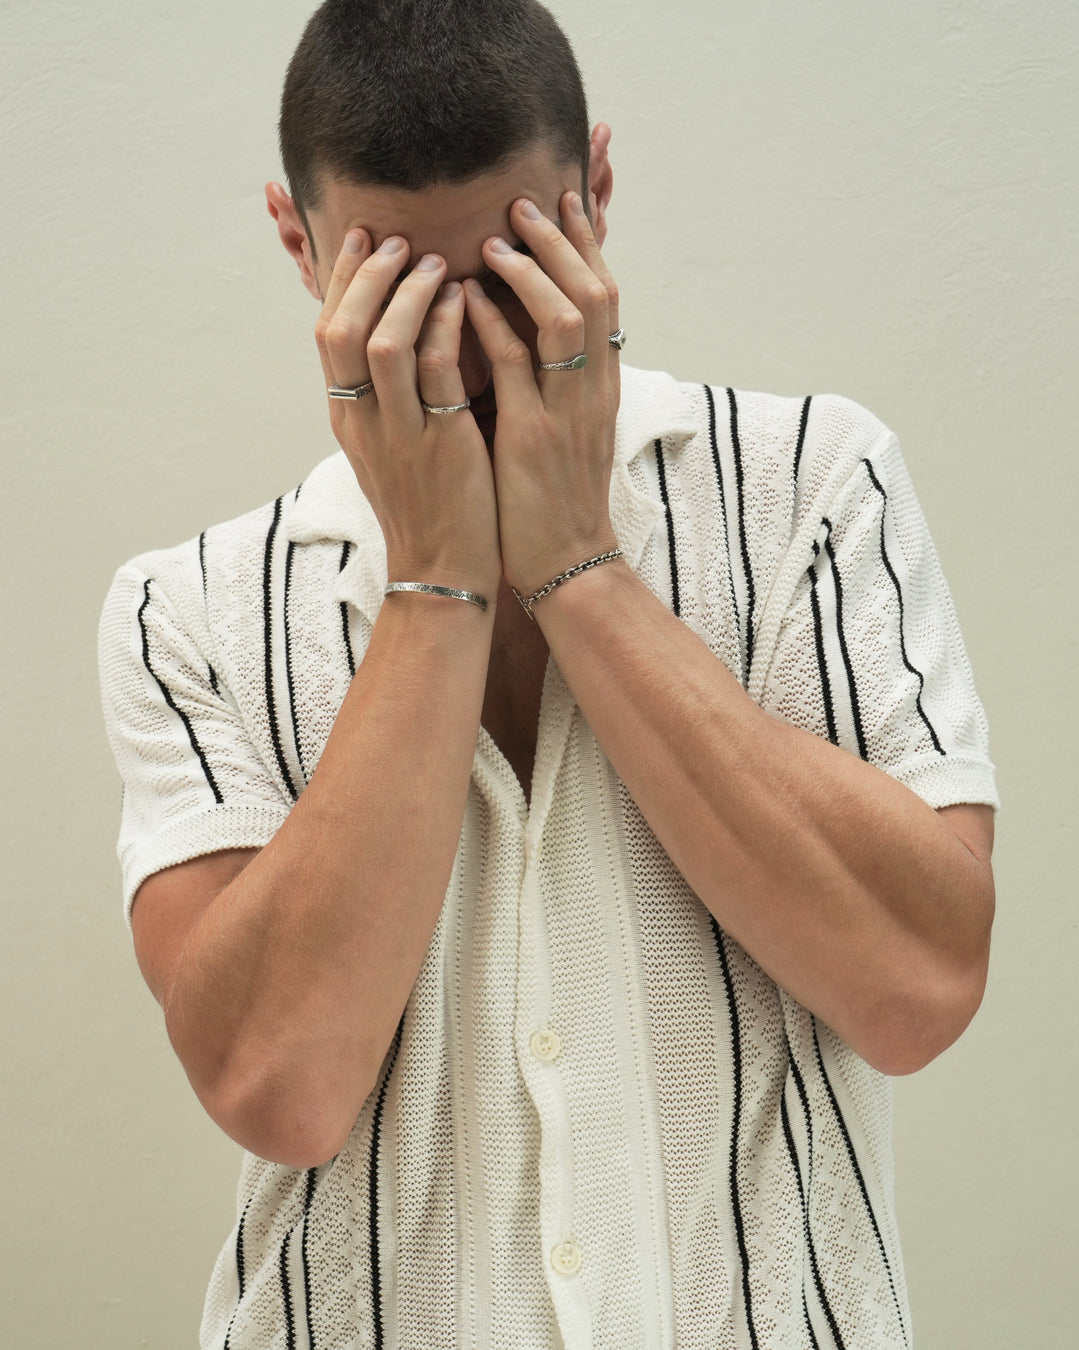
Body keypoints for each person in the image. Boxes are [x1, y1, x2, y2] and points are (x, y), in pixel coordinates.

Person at [97, 1, 999, 1346]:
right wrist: (437, 582)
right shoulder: (184, 610)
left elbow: (921, 986)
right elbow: (278, 1086)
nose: (465, 344)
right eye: (396, 288)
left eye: (516, 269)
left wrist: (580, 563)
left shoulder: (814, 484)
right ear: (299, 242)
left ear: (599, 198)